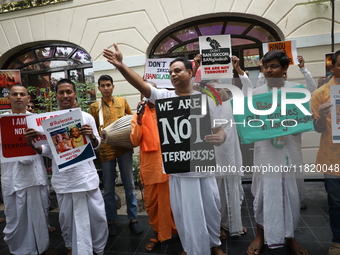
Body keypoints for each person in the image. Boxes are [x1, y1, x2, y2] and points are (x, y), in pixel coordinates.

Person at [103, 43, 226, 255]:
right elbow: (142, 86)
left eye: (178, 70)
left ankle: (213, 245)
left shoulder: (205, 99)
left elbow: (220, 130)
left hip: (204, 170)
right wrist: (121, 65)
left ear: (190, 72)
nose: (173, 75)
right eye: (170, 72)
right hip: (179, 173)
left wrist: (220, 138)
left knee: (211, 211)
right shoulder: (165, 98)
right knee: (185, 215)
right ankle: (191, 248)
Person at [236, 50, 309, 255]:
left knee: (292, 197)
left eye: (273, 66)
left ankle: (291, 237)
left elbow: (304, 121)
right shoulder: (256, 95)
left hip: (290, 154)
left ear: (285, 69)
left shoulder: (297, 91)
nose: (268, 70)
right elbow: (248, 124)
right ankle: (260, 235)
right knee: (262, 195)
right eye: (266, 67)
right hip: (266, 155)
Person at [24, 79, 108, 255]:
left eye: (68, 92)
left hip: (85, 176)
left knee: (97, 216)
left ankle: (98, 248)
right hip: (64, 178)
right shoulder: (48, 121)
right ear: (56, 96)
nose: (65, 95)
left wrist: (91, 136)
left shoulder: (86, 117)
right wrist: (32, 144)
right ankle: (71, 246)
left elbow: (97, 144)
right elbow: (47, 150)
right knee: (67, 219)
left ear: (75, 94)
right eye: (61, 92)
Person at [2, 84, 55, 255]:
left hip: (35, 174)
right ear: (8, 98)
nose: (18, 97)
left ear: (28, 98)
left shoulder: (37, 120)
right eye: (14, 94)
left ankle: (42, 247)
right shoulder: (1, 121)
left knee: (39, 213)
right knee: (15, 215)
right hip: (12, 175)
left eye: (22, 94)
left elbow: (47, 148)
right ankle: (19, 249)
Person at [89, 74, 142, 236]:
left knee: (129, 184)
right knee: (109, 188)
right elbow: (92, 130)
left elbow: (131, 121)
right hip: (105, 150)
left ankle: (133, 219)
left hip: (123, 148)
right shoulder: (94, 107)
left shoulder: (122, 102)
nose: (106, 88)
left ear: (113, 86)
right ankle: (111, 219)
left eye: (108, 85)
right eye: (102, 85)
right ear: (99, 88)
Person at [130, 81, 177, 252]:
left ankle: (174, 231)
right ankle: (158, 233)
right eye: (144, 91)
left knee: (171, 204)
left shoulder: (168, 110)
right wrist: (140, 119)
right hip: (150, 167)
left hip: (169, 165)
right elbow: (134, 141)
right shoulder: (138, 116)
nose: (147, 94)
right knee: (152, 204)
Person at [311, 50, 340, 255]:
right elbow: (318, 127)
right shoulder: (321, 94)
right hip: (332, 157)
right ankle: (337, 241)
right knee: (336, 202)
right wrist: (321, 117)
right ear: (332, 67)